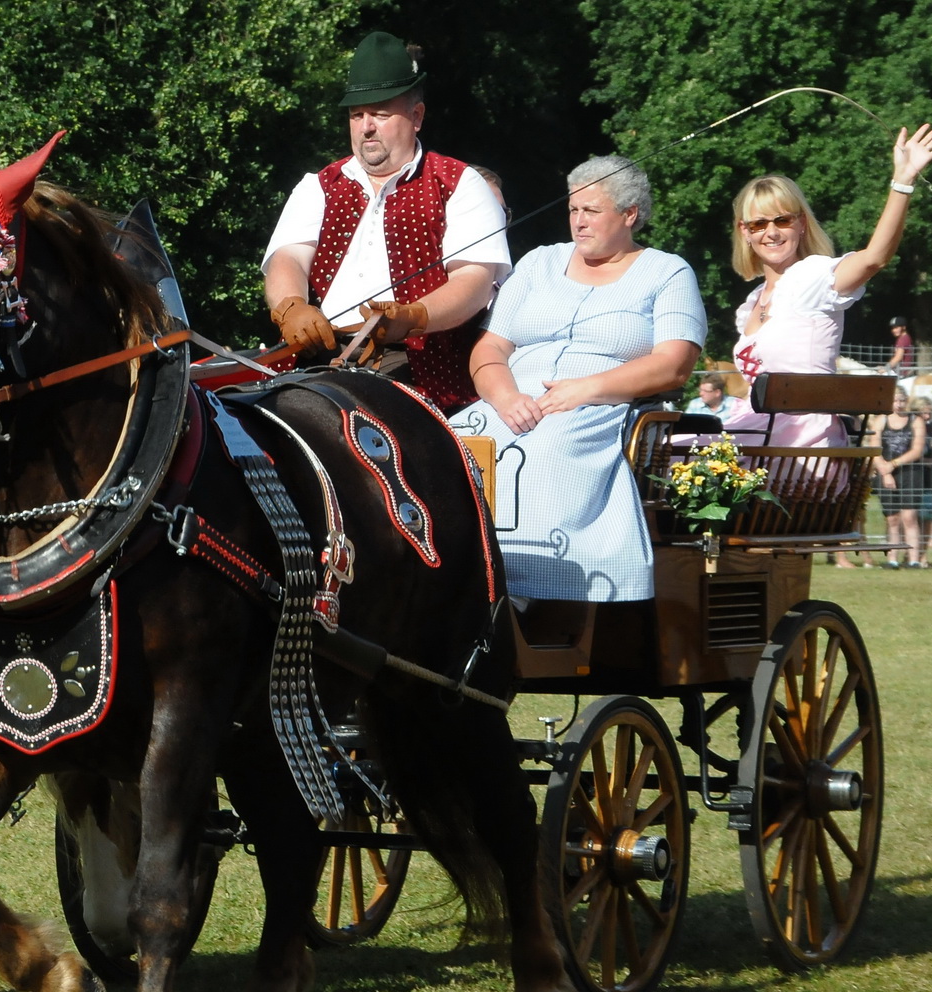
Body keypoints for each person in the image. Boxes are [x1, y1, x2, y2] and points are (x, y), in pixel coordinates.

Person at [451, 156, 705, 602]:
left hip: (598, 408)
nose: (578, 221)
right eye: (573, 210)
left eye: (592, 211)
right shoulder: (539, 263)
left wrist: (585, 388)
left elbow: (674, 363)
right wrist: (506, 395)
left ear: (629, 215)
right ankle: (447, 571)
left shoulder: (667, 272)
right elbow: (490, 348)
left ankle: (525, 586)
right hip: (507, 402)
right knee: (445, 445)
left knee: (547, 446)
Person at [261, 31, 510, 412]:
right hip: (317, 357)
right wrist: (292, 308)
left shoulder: (459, 184)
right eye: (357, 115)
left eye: (379, 113)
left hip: (416, 366)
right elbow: (288, 258)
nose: (366, 127)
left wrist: (414, 316)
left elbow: (474, 282)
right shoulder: (319, 185)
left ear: (417, 116)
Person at [725, 125, 932, 448]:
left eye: (782, 220)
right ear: (745, 231)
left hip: (801, 445)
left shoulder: (812, 277)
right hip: (754, 434)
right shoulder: (753, 301)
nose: (770, 232)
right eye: (759, 224)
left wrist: (903, 180)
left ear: (801, 223)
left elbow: (874, 259)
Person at [865, 385, 926, 568]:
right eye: (895, 401)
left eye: (902, 401)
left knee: (909, 517)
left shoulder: (915, 421)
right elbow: (874, 448)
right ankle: (892, 559)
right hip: (885, 473)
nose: (899, 405)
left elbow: (917, 450)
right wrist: (885, 471)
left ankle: (913, 559)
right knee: (892, 519)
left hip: (910, 473)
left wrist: (892, 465)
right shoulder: (881, 420)